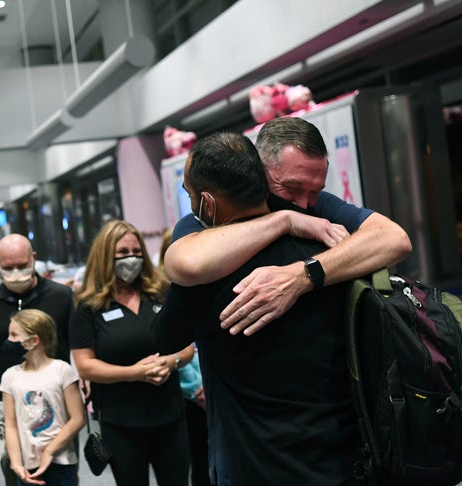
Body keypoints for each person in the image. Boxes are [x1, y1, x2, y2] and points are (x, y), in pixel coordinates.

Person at [153, 131, 390, 486]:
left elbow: (165, 337)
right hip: (347, 462)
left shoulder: (208, 271)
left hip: (261, 477)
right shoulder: (331, 247)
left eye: (190, 194)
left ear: (207, 202)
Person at [163, 117, 412, 336]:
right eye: (292, 188)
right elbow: (187, 263)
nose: (304, 203)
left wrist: (303, 275)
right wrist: (285, 221)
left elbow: (394, 239)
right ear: (259, 170)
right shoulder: (214, 215)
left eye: (315, 191)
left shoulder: (316, 205)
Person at [70, 220, 194, 486]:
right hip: (121, 423)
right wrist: (134, 373)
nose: (131, 258)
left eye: (136, 251)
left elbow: (188, 348)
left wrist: (171, 362)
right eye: (122, 252)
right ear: (105, 256)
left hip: (170, 416)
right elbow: (85, 365)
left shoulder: (161, 293)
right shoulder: (89, 306)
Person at [0, 233, 88, 486]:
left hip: (58, 408)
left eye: (22, 264)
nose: (16, 272)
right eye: (8, 267)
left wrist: (83, 382)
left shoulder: (60, 296)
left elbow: (81, 344)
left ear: (34, 258)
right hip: (10, 409)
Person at [0, 309, 86, 486]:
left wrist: (50, 450)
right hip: (27, 464)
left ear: (33, 340)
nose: (9, 341)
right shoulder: (10, 376)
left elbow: (77, 418)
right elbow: (10, 425)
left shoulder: (62, 370)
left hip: (61, 460)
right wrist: (16, 463)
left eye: (14, 335)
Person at [158, 230, 214, 486]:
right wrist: (196, 389)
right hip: (190, 399)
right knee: (200, 466)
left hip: (219, 391)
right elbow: (175, 348)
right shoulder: (166, 293)